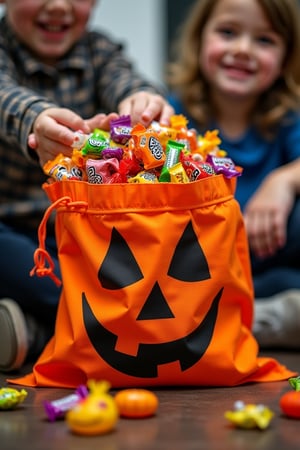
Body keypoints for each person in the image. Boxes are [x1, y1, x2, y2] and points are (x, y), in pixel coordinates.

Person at [0, 0, 174, 372]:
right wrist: (36, 120)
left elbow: (128, 81)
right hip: (13, 230)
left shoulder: (101, 51)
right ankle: (102, 327)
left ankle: (38, 331)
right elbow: (4, 97)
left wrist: (144, 101)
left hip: (85, 233)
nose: (59, 5)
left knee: (130, 280)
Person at [166, 0, 300, 349]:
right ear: (199, 40)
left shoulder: (287, 117)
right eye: (227, 33)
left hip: (264, 263)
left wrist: (283, 180)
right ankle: (248, 322)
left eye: (265, 40)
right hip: (200, 271)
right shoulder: (174, 117)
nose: (242, 50)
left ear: (286, 57)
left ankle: (233, 323)